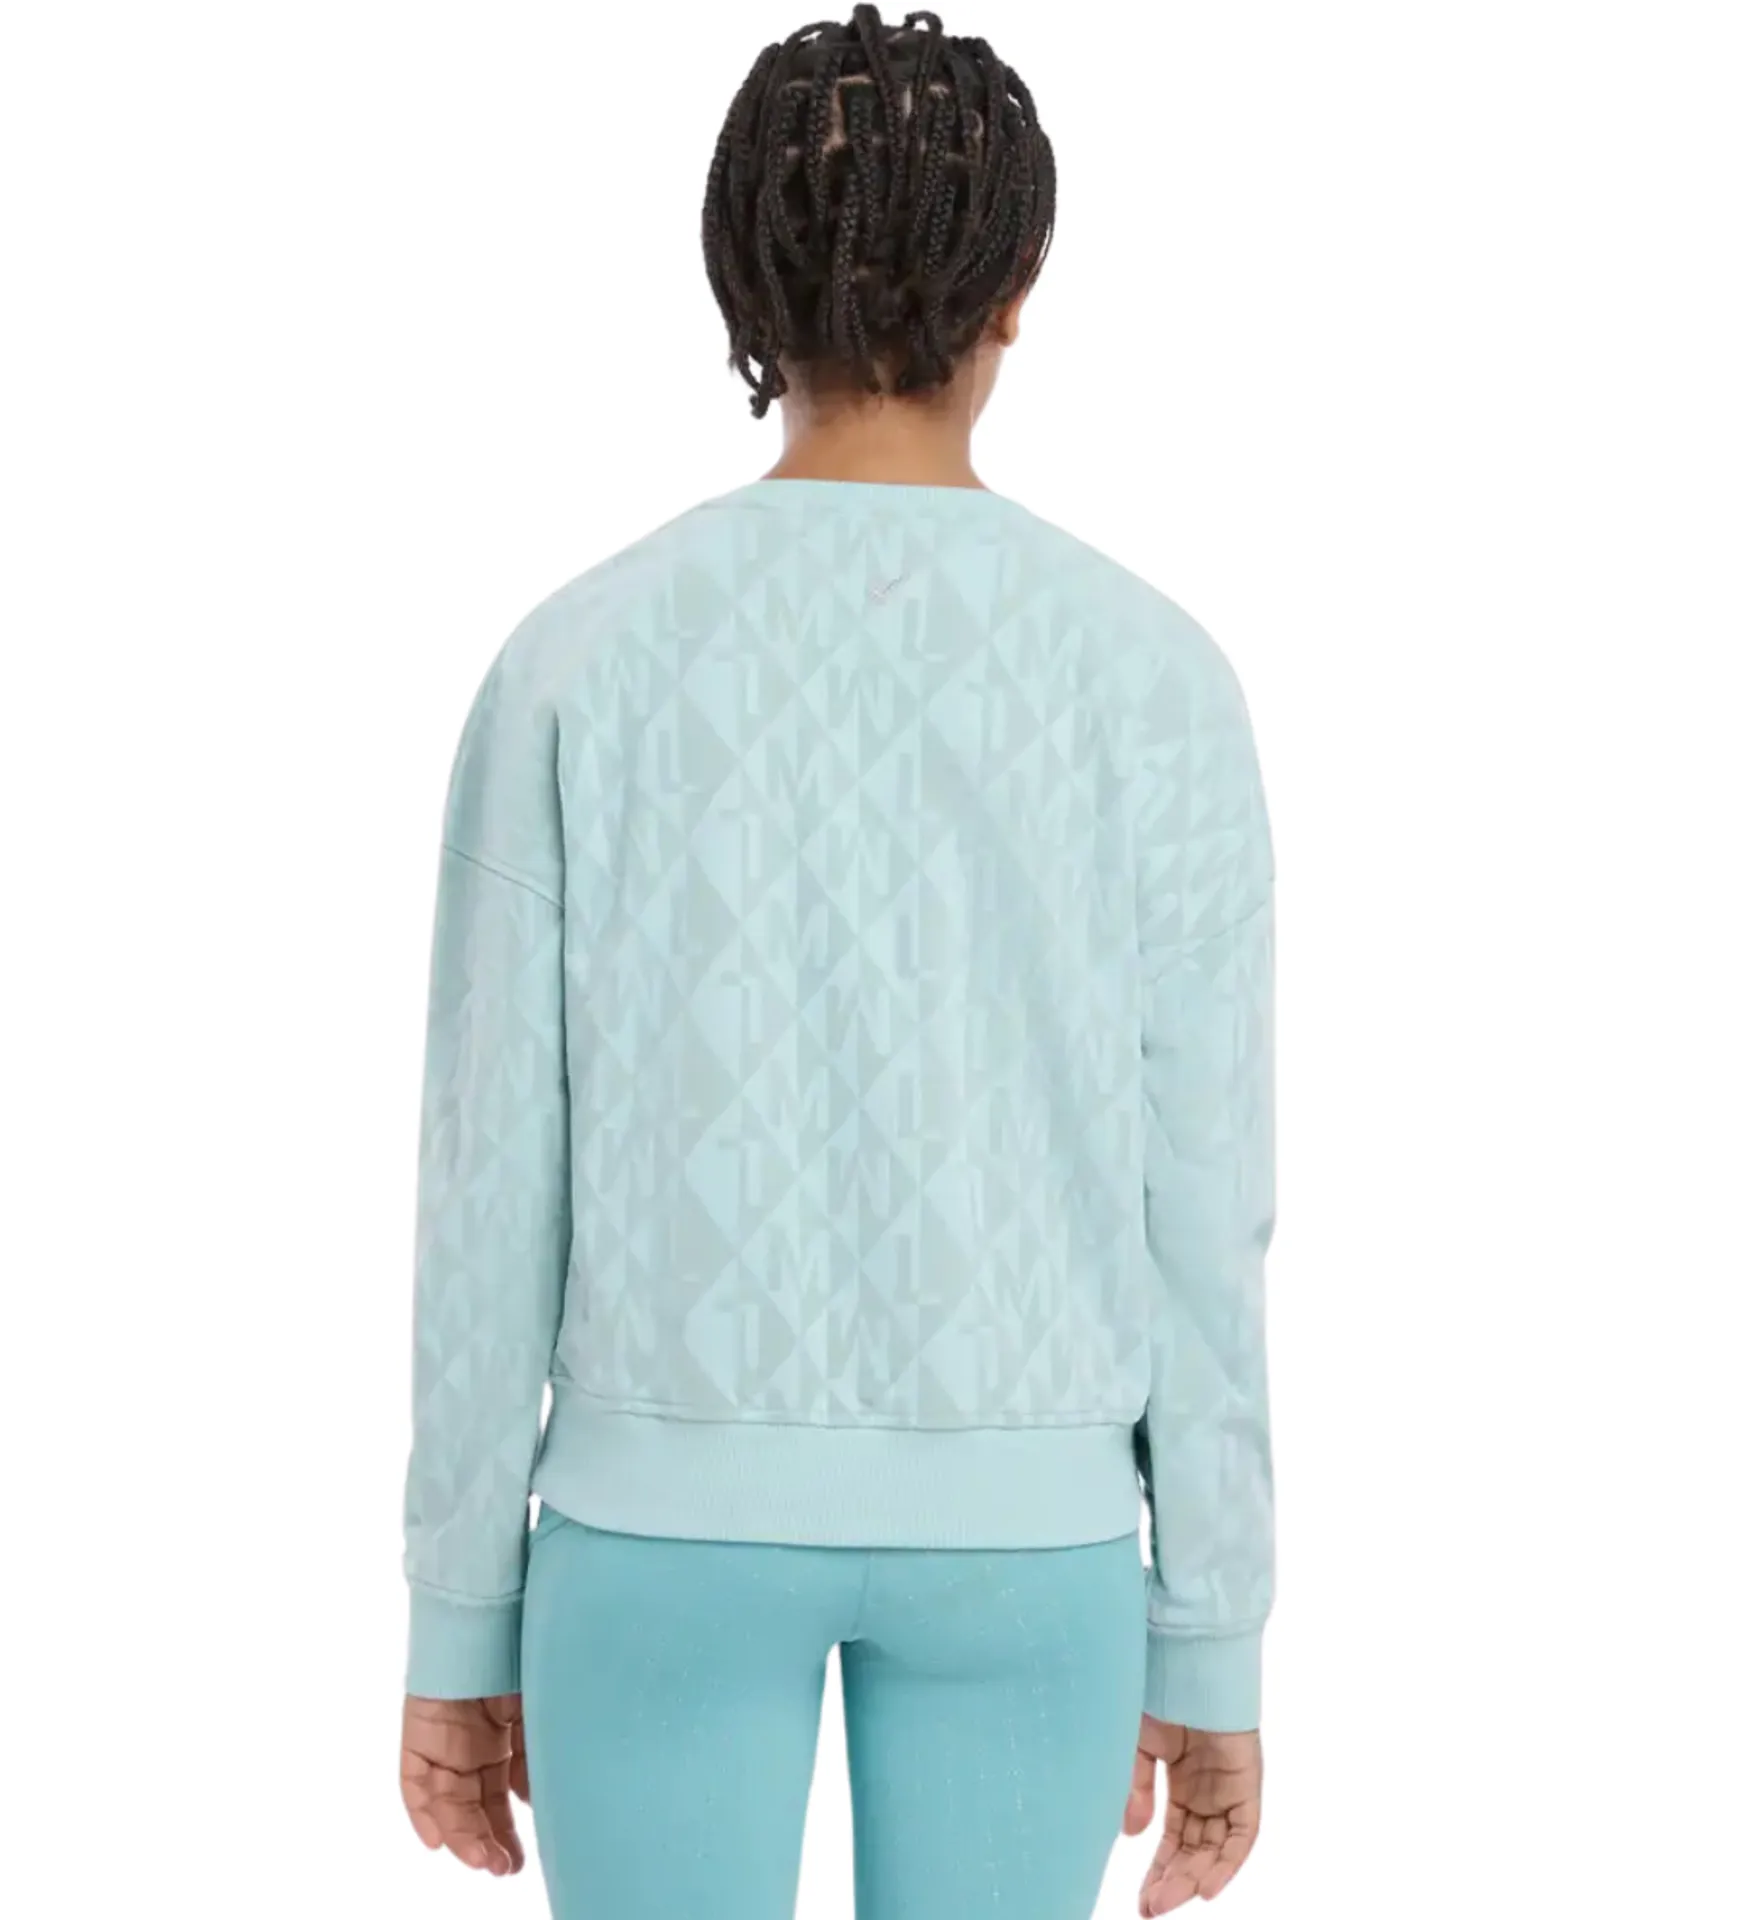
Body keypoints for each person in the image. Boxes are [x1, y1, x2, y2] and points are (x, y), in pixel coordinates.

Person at [396, 9, 1275, 1917]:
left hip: (654, 1536)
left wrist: (460, 1611)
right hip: (1031, 1538)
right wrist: (1210, 1631)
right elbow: (1206, 1202)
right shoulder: (1155, 679)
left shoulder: (575, 658)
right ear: (1021, 289)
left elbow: (487, 1184)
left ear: (738, 280)